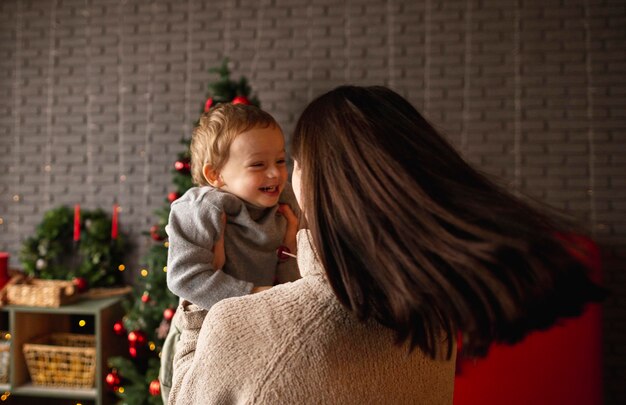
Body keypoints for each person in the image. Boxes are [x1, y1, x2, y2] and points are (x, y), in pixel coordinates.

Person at [168, 86, 606, 404]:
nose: (282, 178)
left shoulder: (243, 327)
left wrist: (199, 312)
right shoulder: (428, 313)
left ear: (322, 183)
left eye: (291, 161)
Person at [159, 103, 300, 402]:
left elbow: (291, 273)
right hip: (200, 340)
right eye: (258, 165)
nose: (275, 173)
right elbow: (184, 277)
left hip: (254, 332)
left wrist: (290, 249)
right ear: (216, 175)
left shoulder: (284, 203)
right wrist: (256, 295)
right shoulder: (203, 207)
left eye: (280, 159)